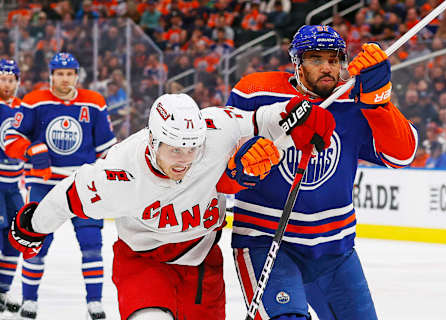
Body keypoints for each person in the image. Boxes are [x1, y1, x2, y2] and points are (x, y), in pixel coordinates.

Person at [6, 92, 331, 320]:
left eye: (192, 148)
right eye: (176, 149)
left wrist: (301, 119)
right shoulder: (119, 171)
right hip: (144, 263)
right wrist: (32, 225)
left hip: (204, 263)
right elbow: (67, 196)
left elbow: (264, 121)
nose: (185, 160)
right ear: (153, 141)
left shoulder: (217, 129)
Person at [227, 25, 418, 320]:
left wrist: (379, 104)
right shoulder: (256, 93)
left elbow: (401, 155)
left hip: (335, 250)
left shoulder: (353, 100)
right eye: (316, 60)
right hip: (266, 241)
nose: (327, 68)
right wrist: (242, 162)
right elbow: (224, 153)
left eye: (333, 60)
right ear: (297, 63)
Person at [4, 52, 117, 320]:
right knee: (37, 242)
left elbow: (107, 149)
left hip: (82, 184)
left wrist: (104, 178)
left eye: (69, 74)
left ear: (77, 76)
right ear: (51, 75)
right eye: (59, 74)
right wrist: (31, 150)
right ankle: (29, 300)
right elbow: (11, 139)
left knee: (92, 243)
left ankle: (95, 302)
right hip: (44, 184)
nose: (64, 79)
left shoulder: (94, 103)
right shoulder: (34, 101)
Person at [0, 59, 23, 315]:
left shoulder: (24, 108)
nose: (6, 84)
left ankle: (3, 291)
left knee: (15, 238)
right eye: (2, 79)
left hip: (14, 185)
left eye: (10, 79)